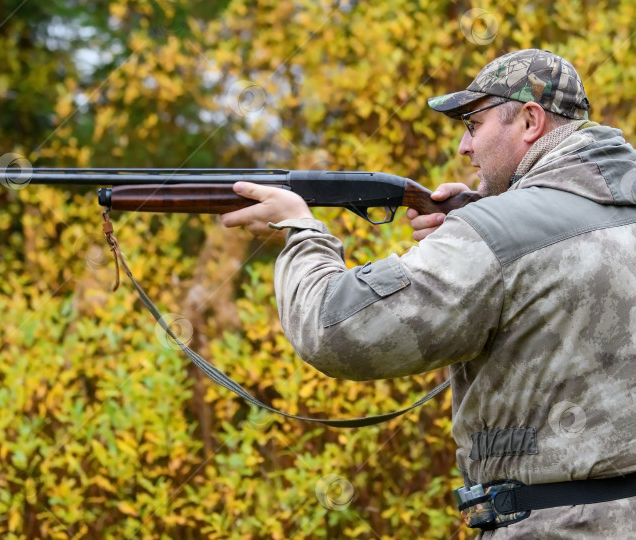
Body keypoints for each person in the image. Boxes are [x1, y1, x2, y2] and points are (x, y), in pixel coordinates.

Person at [220, 49, 636, 537]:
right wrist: (485, 215)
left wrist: (301, 231)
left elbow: (334, 330)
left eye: (472, 124)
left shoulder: (495, 234)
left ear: (529, 120)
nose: (464, 147)